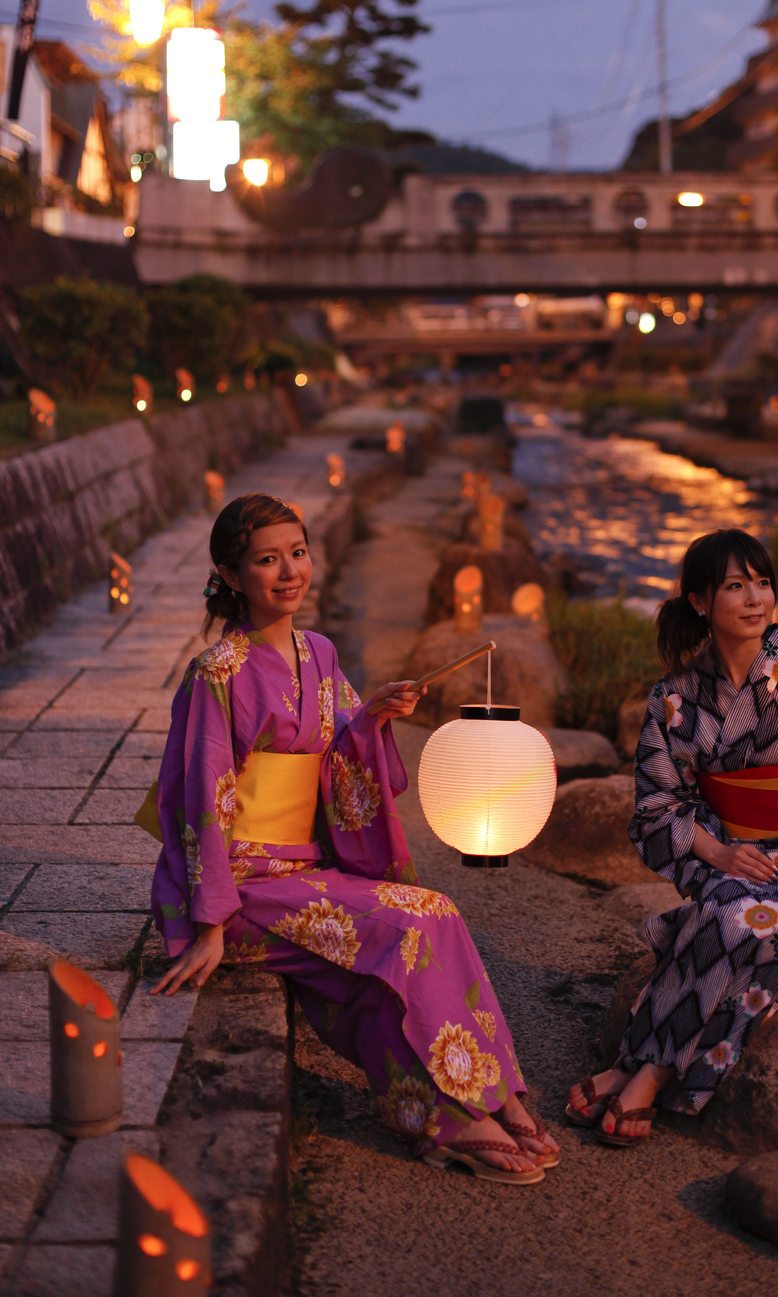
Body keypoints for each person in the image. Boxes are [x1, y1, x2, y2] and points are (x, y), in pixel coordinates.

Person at [149, 492, 559, 1184]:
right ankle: (466, 1113)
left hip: (304, 870)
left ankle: (485, 1099)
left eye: (298, 554)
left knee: (437, 917)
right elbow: (203, 801)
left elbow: (338, 747)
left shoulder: (320, 651)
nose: (288, 572)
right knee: (409, 927)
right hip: (243, 887)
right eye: (266, 559)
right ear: (230, 571)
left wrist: (370, 715)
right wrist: (210, 920)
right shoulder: (216, 672)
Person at [567, 528, 778, 1148]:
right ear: (702, 601)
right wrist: (717, 851)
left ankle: (643, 1067)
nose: (756, 598)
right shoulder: (675, 699)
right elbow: (656, 803)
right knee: (749, 923)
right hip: (725, 850)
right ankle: (652, 1072)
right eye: (737, 586)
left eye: (762, 582)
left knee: (757, 923)